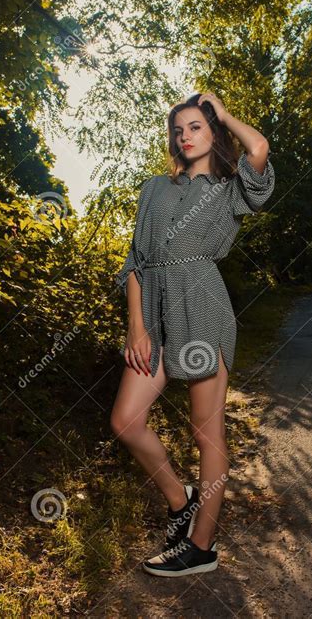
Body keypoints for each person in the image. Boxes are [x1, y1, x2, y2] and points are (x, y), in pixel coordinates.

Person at [110, 92, 275, 577]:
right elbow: (135, 261)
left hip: (202, 307)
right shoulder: (154, 189)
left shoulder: (230, 190)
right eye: (178, 130)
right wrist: (137, 325)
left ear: (213, 133)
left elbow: (260, 149)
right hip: (154, 312)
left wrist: (223, 112)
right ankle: (179, 498)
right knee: (125, 421)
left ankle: (201, 546)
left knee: (206, 432)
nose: (185, 136)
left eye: (196, 127)